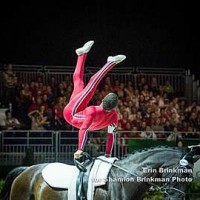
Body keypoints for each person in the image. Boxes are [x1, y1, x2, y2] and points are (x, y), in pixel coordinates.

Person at [63, 40, 126, 159]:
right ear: (113, 108)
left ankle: (110, 63)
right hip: (79, 116)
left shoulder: (93, 111)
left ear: (102, 100)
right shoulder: (114, 117)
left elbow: (83, 129)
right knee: (79, 83)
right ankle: (81, 54)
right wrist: (108, 154)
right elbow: (111, 136)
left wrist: (80, 149)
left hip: (71, 113)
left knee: (92, 84)